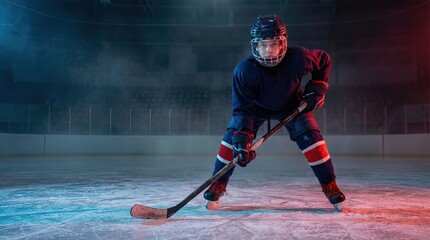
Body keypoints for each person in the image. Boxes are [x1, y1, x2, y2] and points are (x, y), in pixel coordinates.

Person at [203, 15, 345, 208]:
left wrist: (318, 86)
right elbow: (242, 109)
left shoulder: (299, 58)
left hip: (291, 105)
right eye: (263, 45)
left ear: (283, 43)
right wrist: (243, 140)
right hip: (255, 109)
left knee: (312, 138)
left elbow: (324, 60)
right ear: (255, 46)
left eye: (273, 44)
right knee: (232, 140)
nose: (268, 51)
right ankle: (218, 183)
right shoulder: (244, 70)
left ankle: (330, 184)